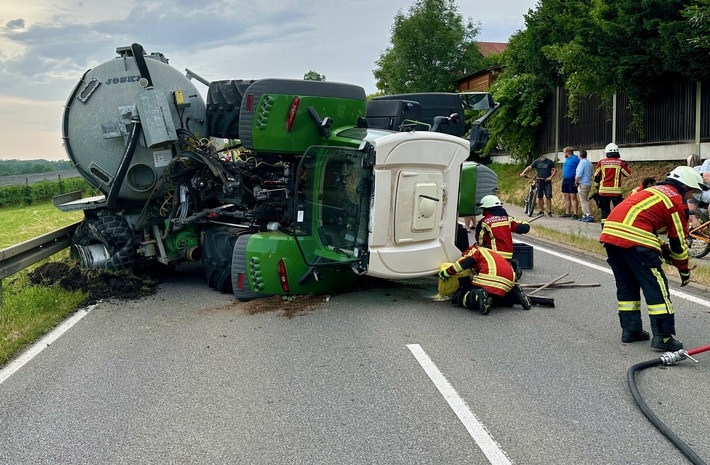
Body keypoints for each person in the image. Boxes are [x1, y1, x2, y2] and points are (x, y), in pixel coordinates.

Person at [599, 166, 707, 351]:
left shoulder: (651, 191)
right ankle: (663, 338)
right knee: (656, 287)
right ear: (685, 187)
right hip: (635, 239)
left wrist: (662, 249)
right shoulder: (675, 201)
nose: (691, 198)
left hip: (610, 235)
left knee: (627, 284)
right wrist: (683, 271)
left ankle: (631, 330)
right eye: (692, 192)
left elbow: (638, 222)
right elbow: (678, 242)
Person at [438, 245, 531, 314]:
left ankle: (477, 295)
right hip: (510, 280)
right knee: (496, 297)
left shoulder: (475, 250)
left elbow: (467, 261)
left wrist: (447, 272)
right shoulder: (494, 253)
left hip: (490, 276)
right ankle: (513, 293)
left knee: (461, 296)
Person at [474, 194, 530, 278]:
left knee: (475, 253)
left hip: (494, 256)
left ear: (487, 209)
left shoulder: (485, 222)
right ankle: (512, 268)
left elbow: (480, 241)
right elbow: (524, 228)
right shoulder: (508, 219)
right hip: (509, 254)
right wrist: (526, 222)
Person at [593, 143, 631, 226]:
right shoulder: (620, 163)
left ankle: (604, 227)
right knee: (617, 209)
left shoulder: (601, 162)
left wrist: (597, 187)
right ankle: (616, 226)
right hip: (616, 191)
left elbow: (596, 177)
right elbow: (627, 174)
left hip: (603, 191)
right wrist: (626, 165)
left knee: (604, 210)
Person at [574, 149, 594, 222]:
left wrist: (576, 182)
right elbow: (592, 173)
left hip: (583, 183)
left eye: (578, 154)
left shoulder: (582, 163)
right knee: (584, 199)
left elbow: (579, 174)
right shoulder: (589, 163)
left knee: (583, 200)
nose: (577, 156)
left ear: (580, 155)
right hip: (588, 183)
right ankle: (585, 214)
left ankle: (588, 215)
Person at [560, 146, 580, 218]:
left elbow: (579, 167)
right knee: (566, 196)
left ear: (568, 152)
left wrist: (577, 178)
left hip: (572, 179)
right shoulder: (567, 159)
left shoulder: (575, 158)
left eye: (564, 152)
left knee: (573, 196)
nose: (564, 154)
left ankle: (575, 213)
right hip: (565, 179)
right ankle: (567, 212)